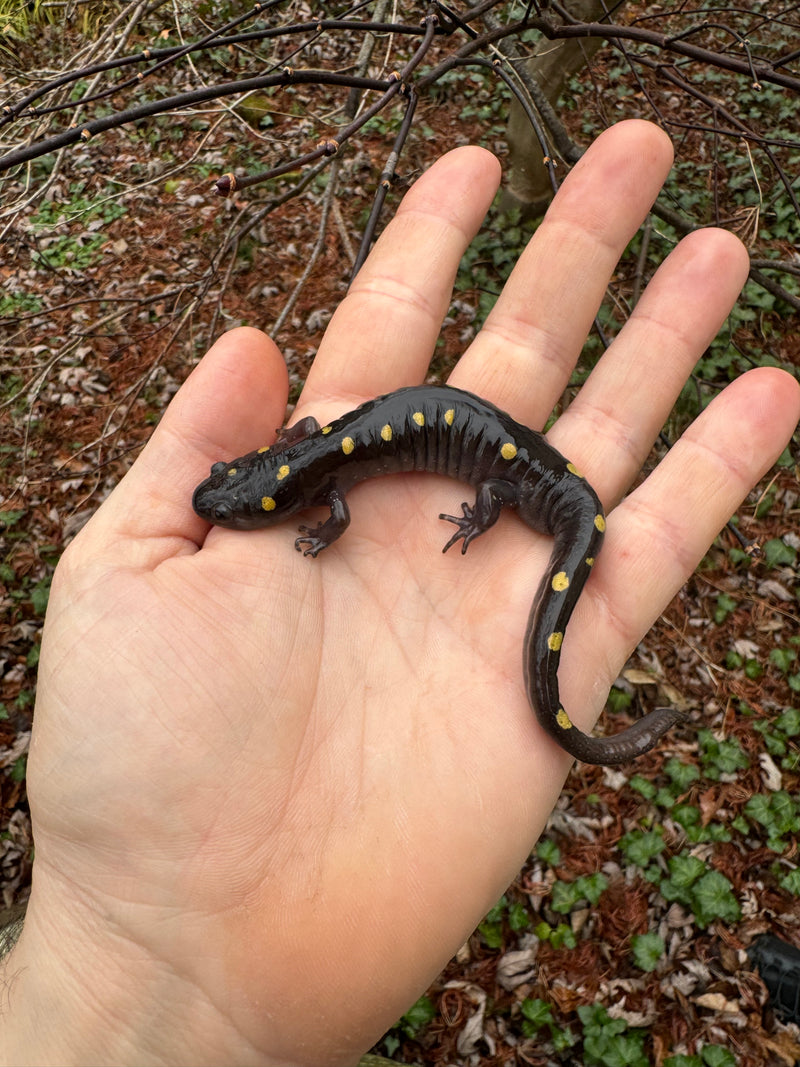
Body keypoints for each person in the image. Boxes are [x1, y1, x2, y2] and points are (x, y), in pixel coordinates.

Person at [1, 120, 798, 1067]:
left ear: (278, 484)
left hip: (542, 491)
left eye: (244, 499)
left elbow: (330, 507)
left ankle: (562, 674)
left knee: (508, 503)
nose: (234, 508)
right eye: (243, 501)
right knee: (504, 497)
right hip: (524, 473)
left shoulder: (318, 482)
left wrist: (471, 514)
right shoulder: (305, 457)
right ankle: (575, 702)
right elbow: (305, 450)